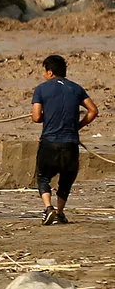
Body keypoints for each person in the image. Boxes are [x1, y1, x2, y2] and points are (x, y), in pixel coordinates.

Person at [32, 55, 98, 225]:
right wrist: (77, 126)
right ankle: (60, 212)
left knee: (42, 176)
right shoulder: (76, 88)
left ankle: (48, 208)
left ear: (50, 72)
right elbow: (93, 111)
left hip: (49, 142)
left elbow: (36, 116)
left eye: (45, 71)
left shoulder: (41, 89)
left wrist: (47, 117)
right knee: (66, 179)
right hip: (70, 143)